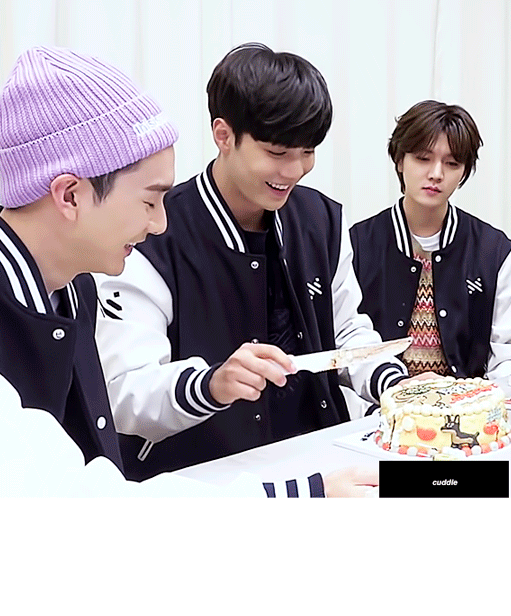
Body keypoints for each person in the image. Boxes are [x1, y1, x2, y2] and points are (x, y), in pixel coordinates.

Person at [0, 46, 373, 496]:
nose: (160, 223)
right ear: (69, 195)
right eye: (149, 200)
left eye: (308, 152)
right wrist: (298, 495)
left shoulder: (72, 286)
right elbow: (68, 495)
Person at [95, 43, 423, 481]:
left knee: (463, 488)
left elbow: (346, 331)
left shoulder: (321, 220)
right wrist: (212, 383)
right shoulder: (154, 233)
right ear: (223, 135)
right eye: (277, 153)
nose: (295, 170)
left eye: (308, 151)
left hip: (319, 459)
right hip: (206, 480)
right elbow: (125, 392)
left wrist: (394, 385)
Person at [349, 100, 511, 384]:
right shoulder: (358, 246)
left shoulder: (493, 251)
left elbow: (510, 355)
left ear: (464, 172)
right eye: (423, 158)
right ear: (400, 160)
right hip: (381, 403)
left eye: (452, 163)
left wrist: (480, 399)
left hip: (471, 405)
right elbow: (347, 347)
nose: (436, 173)